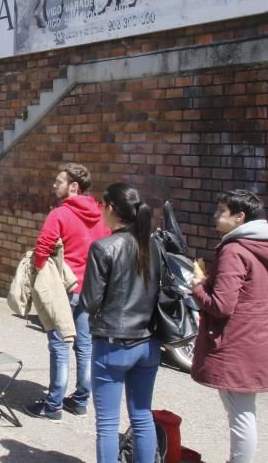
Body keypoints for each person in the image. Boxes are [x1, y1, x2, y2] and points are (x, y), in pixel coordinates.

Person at [191, 190, 268, 463]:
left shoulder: (235, 249)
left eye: (221, 211)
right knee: (244, 411)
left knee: (240, 415)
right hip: (264, 339)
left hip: (240, 343)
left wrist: (197, 286)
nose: (215, 215)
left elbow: (221, 305)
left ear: (239, 217)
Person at [80, 183, 161, 463]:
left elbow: (90, 300)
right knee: (142, 415)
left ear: (111, 208)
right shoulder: (153, 244)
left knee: (107, 424)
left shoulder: (103, 247)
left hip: (112, 343)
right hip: (148, 341)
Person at [26, 163, 108, 421]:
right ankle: (81, 400)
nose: (54, 185)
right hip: (90, 289)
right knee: (84, 345)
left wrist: (41, 273)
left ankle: (53, 404)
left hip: (63, 289)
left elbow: (42, 249)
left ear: (73, 186)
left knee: (60, 345)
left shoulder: (60, 214)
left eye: (58, 181)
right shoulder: (101, 213)